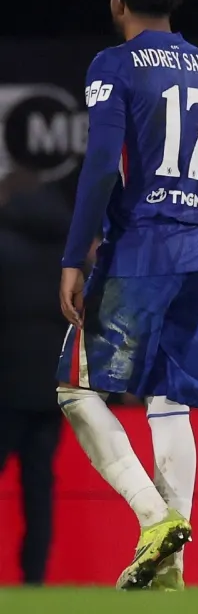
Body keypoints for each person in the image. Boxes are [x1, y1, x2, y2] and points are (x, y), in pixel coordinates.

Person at [54, 0, 198, 591]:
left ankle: (153, 516)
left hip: (142, 249)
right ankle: (172, 569)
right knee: (171, 400)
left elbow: (103, 165)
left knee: (76, 389)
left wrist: (76, 256)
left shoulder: (115, 64)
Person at [0, 170, 70, 585]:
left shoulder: (3, 249)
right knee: (39, 488)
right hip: (51, 390)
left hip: (5, 388)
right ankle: (35, 578)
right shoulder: (70, 253)